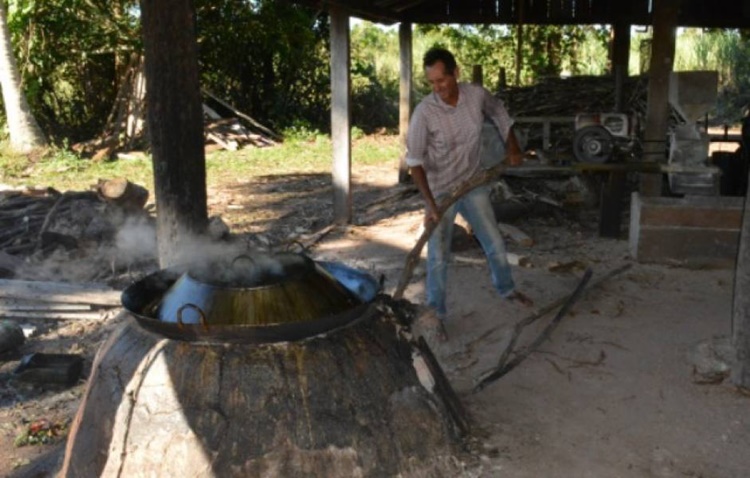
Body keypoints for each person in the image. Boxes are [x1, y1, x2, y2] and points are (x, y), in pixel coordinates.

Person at [406, 47, 533, 342]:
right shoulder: (424, 113)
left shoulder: (475, 95)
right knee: (438, 255)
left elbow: (499, 112)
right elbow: (414, 163)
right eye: (432, 83)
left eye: (442, 80)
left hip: (473, 182)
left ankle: (507, 289)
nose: (438, 88)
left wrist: (511, 145)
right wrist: (431, 203)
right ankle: (436, 313)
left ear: (456, 74)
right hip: (440, 191)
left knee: (494, 241)